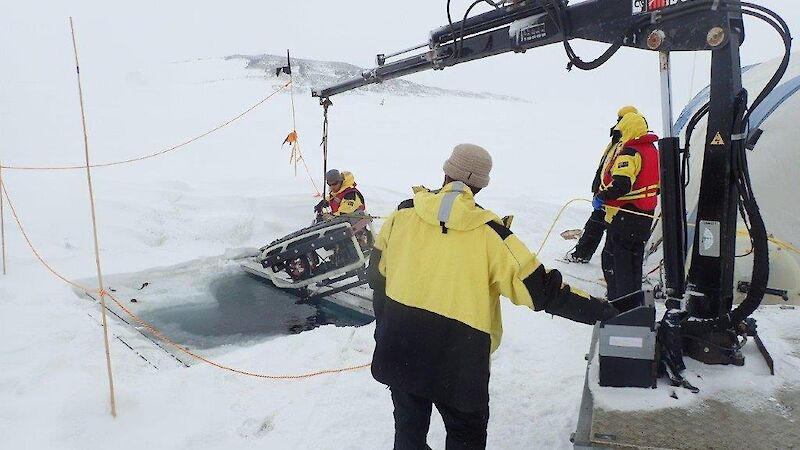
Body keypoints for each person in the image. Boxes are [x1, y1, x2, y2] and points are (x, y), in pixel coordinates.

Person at [367, 143, 618, 450]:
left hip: (401, 344)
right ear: (481, 185)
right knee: (465, 436)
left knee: (408, 428)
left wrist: (385, 327)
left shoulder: (403, 214)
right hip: (458, 359)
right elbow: (542, 292)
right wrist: (604, 312)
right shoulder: (491, 235)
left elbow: (376, 275)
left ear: (445, 172)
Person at [596, 111, 659, 308]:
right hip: (645, 215)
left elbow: (622, 185)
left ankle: (619, 304)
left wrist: (602, 197)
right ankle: (633, 302)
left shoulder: (630, 153)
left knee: (614, 261)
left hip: (625, 215)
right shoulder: (651, 150)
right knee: (633, 262)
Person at [567, 105, 640, 263]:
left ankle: (584, 255)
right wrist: (598, 187)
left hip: (616, 196)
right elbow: (606, 165)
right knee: (597, 224)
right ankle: (584, 254)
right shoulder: (617, 140)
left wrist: (606, 193)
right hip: (607, 192)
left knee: (599, 225)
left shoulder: (629, 145)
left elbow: (623, 175)